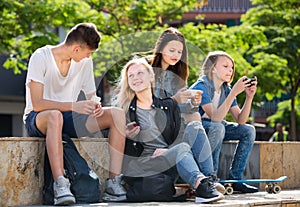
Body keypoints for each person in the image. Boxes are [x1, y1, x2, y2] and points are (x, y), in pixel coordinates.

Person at [23, 23, 127, 205]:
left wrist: (96, 106)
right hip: (39, 119)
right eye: (88, 52)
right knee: (55, 115)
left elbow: (91, 94)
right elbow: (38, 103)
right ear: (76, 48)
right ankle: (60, 184)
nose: (89, 56)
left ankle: (113, 182)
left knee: (116, 114)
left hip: (69, 118)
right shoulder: (41, 57)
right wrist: (73, 106)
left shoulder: (84, 62)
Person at [114, 58, 224, 203]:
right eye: (131, 76)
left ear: (151, 76)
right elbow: (107, 133)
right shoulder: (124, 108)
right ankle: (201, 187)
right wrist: (124, 134)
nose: (136, 78)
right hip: (146, 163)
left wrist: (169, 150)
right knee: (182, 148)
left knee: (195, 126)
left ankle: (210, 179)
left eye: (140, 73)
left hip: (170, 158)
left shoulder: (167, 105)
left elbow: (178, 133)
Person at [149, 27, 225, 193]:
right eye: (171, 50)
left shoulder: (177, 75)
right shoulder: (148, 70)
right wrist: (176, 100)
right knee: (196, 119)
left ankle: (209, 178)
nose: (176, 55)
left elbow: (178, 108)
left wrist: (191, 103)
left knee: (196, 122)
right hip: (155, 131)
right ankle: (200, 178)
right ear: (161, 49)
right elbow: (148, 105)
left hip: (172, 128)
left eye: (179, 51)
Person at [190, 50, 259, 193]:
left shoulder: (226, 90)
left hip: (217, 126)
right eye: (225, 66)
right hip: (196, 129)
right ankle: (211, 178)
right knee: (218, 127)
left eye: (232, 67)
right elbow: (215, 117)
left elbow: (241, 120)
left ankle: (236, 179)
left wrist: (249, 97)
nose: (230, 70)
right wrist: (234, 92)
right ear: (213, 68)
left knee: (248, 130)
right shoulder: (201, 86)